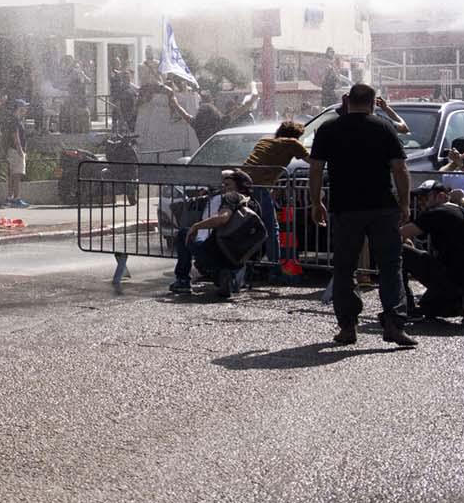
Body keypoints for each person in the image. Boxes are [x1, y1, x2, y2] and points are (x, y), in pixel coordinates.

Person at [309, 83, 415, 348]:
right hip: (382, 207)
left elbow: (315, 169)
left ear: (347, 100)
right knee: (391, 266)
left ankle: (347, 327)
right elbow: (400, 170)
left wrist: (315, 201)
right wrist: (404, 203)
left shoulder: (328, 128)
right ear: (372, 102)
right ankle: (393, 324)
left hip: (345, 208)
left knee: (345, 267)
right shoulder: (383, 127)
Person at [401, 180, 464, 327]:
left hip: (452, 275)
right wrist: (461, 200)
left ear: (442, 197)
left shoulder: (438, 212)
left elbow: (399, 235)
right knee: (428, 307)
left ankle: (406, 307)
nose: (421, 202)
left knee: (398, 251)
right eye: (419, 199)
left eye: (426, 197)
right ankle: (462, 303)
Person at [171, 169, 262, 297]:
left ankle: (183, 281)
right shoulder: (254, 203)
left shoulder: (232, 197)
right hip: (240, 256)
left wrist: (197, 226)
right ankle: (228, 276)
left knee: (184, 233)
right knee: (223, 266)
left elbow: (222, 218)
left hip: (219, 250)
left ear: (239, 185)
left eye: (228, 185)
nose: (224, 188)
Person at [242, 120, 312, 262]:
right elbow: (313, 161)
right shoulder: (293, 143)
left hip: (241, 182)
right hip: (258, 187)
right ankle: (275, 267)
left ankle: (245, 265)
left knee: (246, 226)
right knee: (271, 228)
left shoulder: (265, 140)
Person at [192, 92, 257, 145]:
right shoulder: (221, 123)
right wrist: (253, 96)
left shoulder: (197, 125)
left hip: (203, 158)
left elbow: (185, 115)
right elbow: (240, 110)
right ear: (214, 113)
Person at [4, 99, 30, 208]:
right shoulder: (15, 120)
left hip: (13, 150)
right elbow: (15, 136)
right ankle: (16, 198)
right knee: (16, 175)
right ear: (19, 108)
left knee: (12, 174)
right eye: (24, 107)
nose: (26, 110)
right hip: (16, 151)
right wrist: (20, 150)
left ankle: (10, 197)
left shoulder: (16, 120)